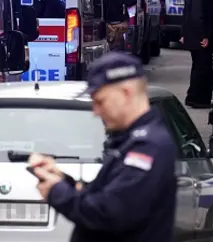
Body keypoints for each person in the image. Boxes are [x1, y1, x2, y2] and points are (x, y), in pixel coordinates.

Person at [28, 52, 177, 242]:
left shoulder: (148, 147)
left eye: (100, 102)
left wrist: (57, 192)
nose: (96, 112)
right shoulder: (131, 140)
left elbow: (109, 213)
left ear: (126, 93)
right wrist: (62, 180)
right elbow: (104, 194)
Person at [182, 0, 213, 108]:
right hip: (200, 40)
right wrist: (203, 36)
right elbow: (198, 18)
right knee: (201, 69)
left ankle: (197, 97)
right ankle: (197, 99)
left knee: (202, 68)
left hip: (203, 38)